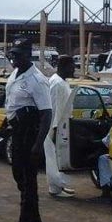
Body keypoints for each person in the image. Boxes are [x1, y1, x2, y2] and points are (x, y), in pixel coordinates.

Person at [4, 38, 53, 222]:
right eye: (12, 54)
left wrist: (38, 144)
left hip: (29, 132)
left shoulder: (37, 80)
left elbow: (46, 114)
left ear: (28, 55)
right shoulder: (15, 74)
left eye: (18, 54)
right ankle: (35, 221)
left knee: (27, 178)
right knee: (20, 176)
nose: (14, 58)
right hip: (17, 129)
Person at [45, 55, 76, 198]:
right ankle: (55, 189)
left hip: (62, 125)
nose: (74, 69)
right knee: (53, 159)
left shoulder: (62, 82)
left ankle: (59, 185)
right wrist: (55, 128)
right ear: (64, 66)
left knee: (59, 159)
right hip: (55, 126)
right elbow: (54, 107)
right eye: (72, 66)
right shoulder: (56, 83)